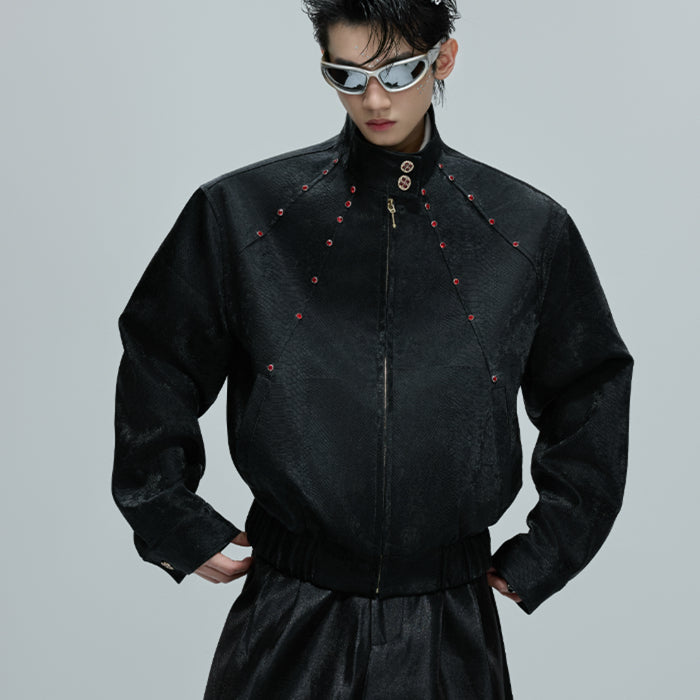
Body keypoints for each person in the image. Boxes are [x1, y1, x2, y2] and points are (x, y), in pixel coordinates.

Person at [111, 1, 634, 697]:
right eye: (349, 76)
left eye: (399, 72)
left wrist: (551, 549)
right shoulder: (244, 214)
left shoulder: (523, 229)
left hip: (448, 626)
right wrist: (169, 517)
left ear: (444, 60)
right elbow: (158, 356)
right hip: (287, 615)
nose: (376, 100)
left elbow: (590, 387)